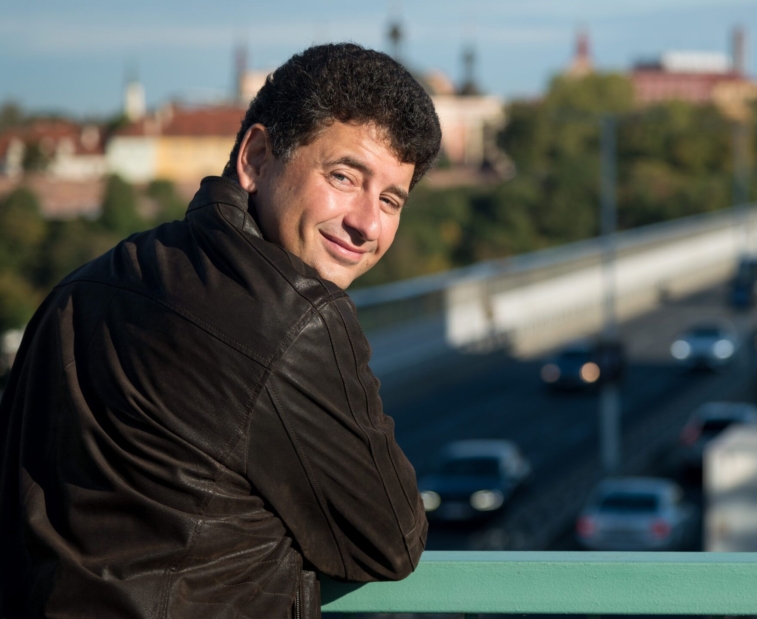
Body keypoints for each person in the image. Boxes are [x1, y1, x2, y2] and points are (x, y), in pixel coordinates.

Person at [0, 43, 441, 619]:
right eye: (343, 176)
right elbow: (391, 541)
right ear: (257, 158)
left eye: (389, 199)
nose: (367, 223)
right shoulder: (297, 319)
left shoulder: (83, 287)